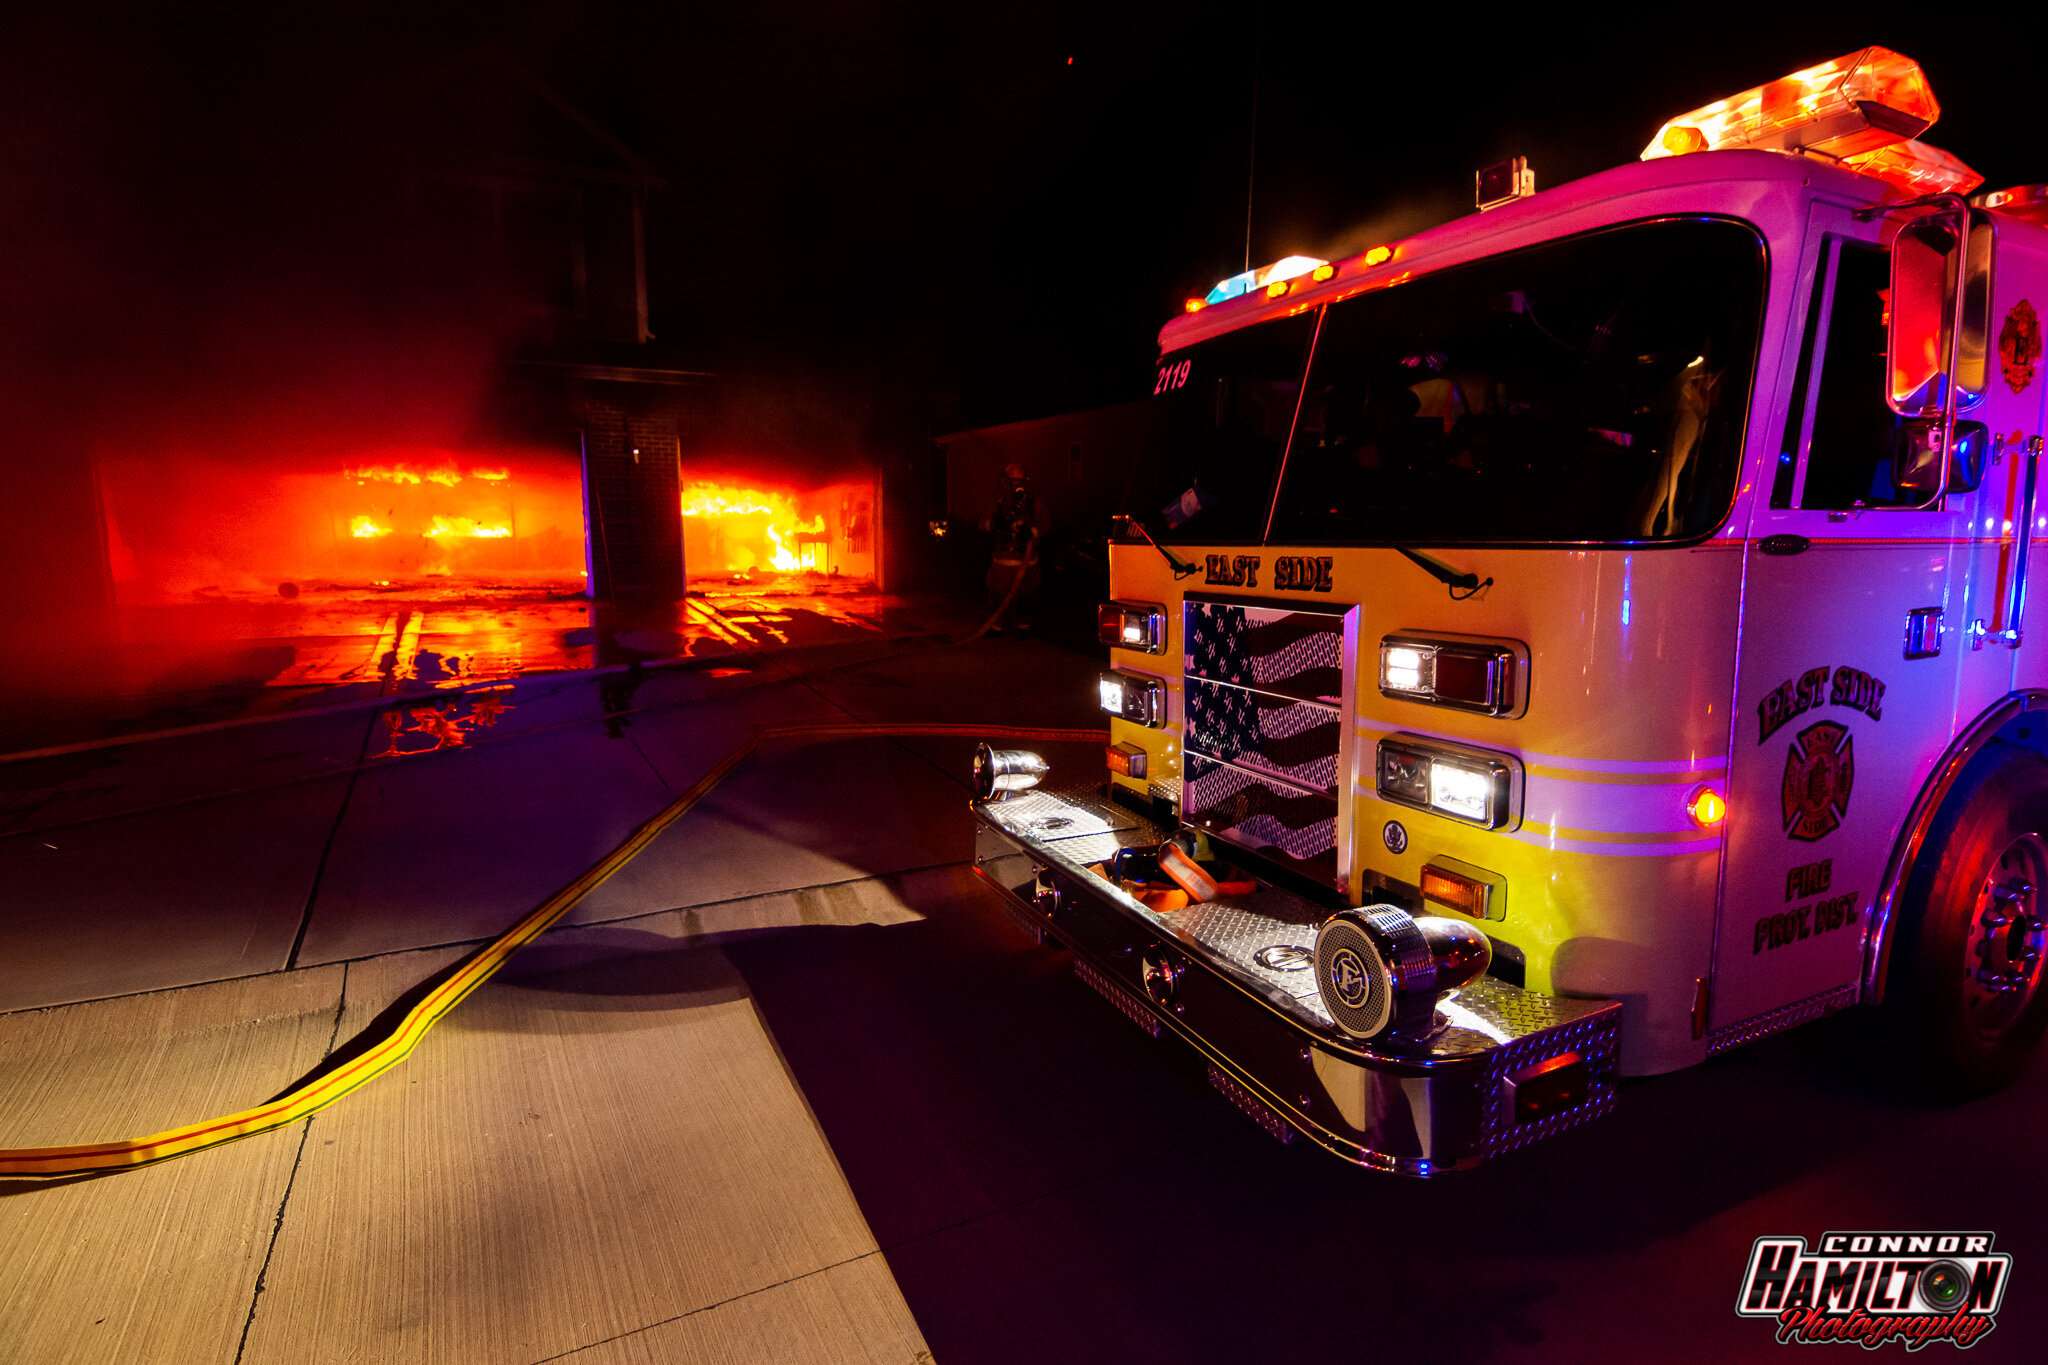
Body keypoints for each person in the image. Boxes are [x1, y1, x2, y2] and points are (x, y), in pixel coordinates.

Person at [982, 463, 1049, 632]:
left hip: (1027, 560)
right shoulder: (999, 500)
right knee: (998, 593)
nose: (1018, 485)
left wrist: (1031, 532)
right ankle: (996, 625)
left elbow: (1045, 523)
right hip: (1003, 558)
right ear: (1005, 481)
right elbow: (983, 522)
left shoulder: (1033, 501)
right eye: (1013, 481)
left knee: (1027, 593)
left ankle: (1022, 626)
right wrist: (997, 524)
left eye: (1021, 480)